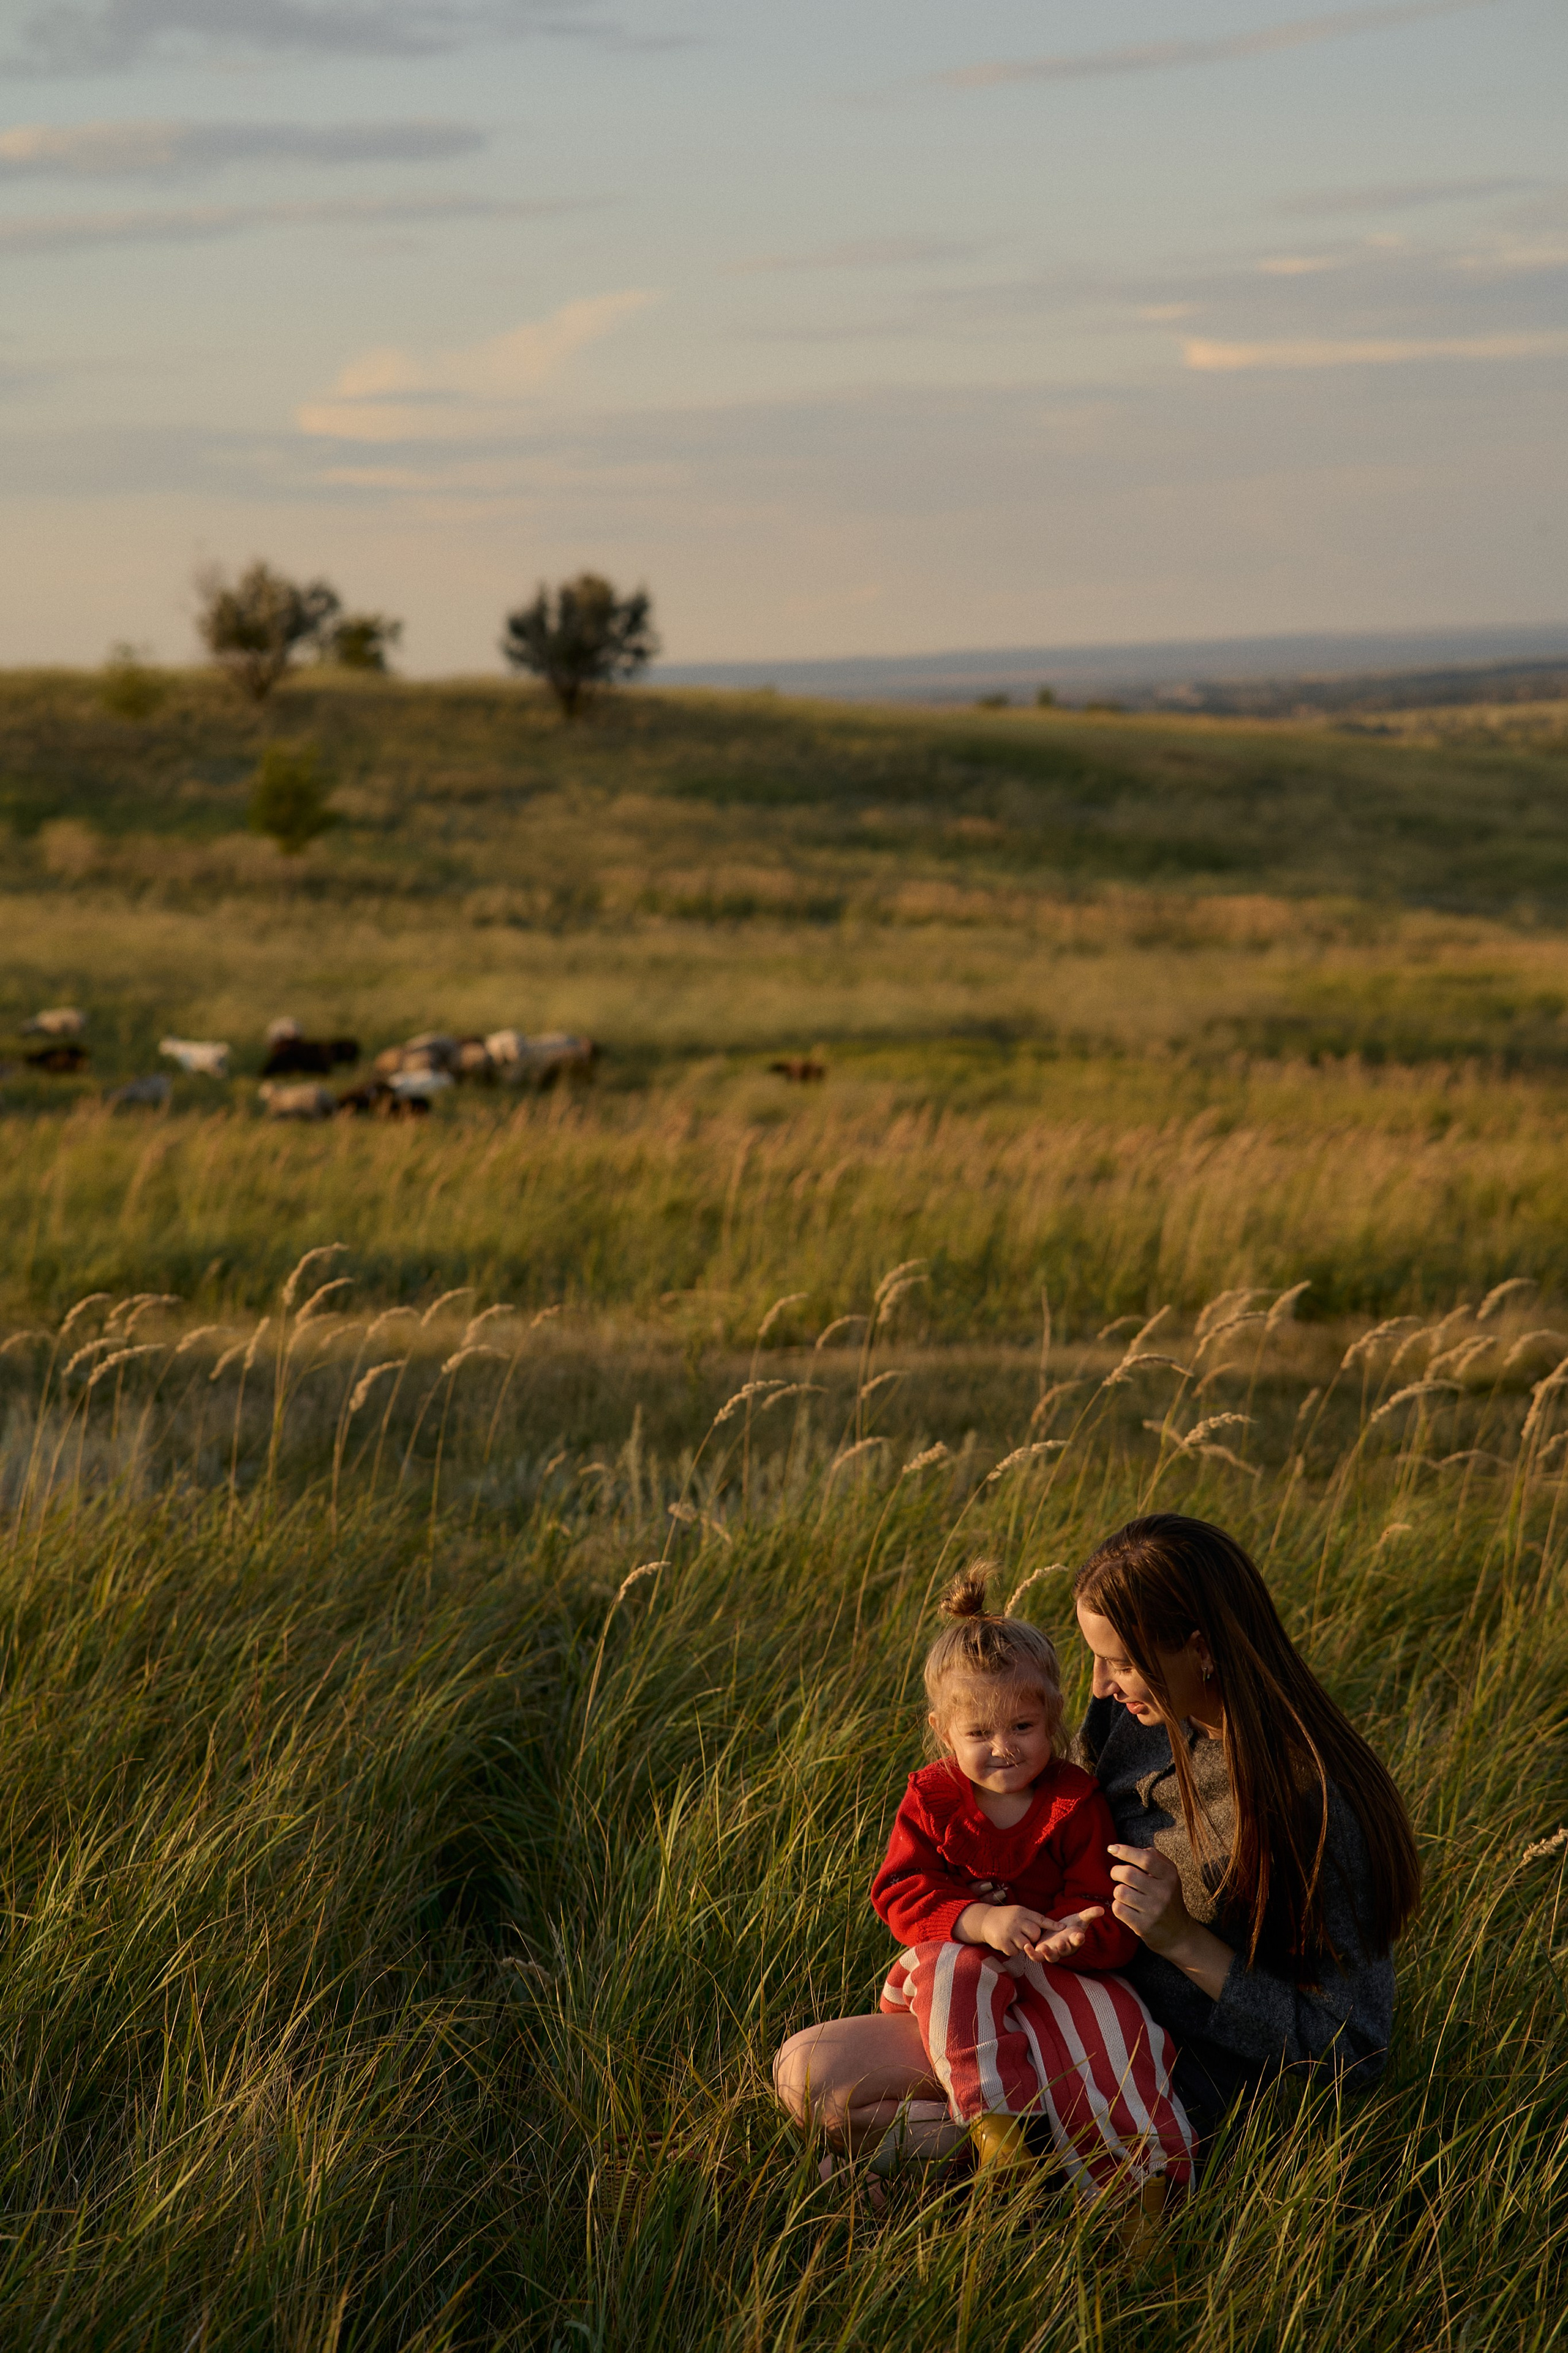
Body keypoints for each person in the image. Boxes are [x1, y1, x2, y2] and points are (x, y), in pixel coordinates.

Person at [774, 1513, 1420, 2183]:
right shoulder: (1136, 1717)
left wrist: (1179, 1939)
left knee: (847, 2132)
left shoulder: (1310, 1802)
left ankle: (1042, 2180)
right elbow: (1061, 1817)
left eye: (1122, 1662)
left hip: (1170, 2068)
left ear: (1200, 1649)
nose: (1103, 1685)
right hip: (1056, 1999)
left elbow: (1355, 2053)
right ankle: (1001, 2172)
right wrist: (997, 1896)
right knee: (807, 2071)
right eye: (1095, 1658)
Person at [850, 1566, 1196, 2195]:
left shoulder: (1074, 1799)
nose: (1002, 1748)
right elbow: (901, 1889)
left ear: (1052, 1716)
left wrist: (1073, 1931)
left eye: (1021, 1727)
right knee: (956, 1973)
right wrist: (980, 1920)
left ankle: (1143, 2177)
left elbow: (1098, 1896)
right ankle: (996, 2134)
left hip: (1056, 1969)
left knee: (1118, 2024)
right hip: (961, 1967)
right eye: (978, 1733)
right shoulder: (932, 1796)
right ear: (941, 1731)